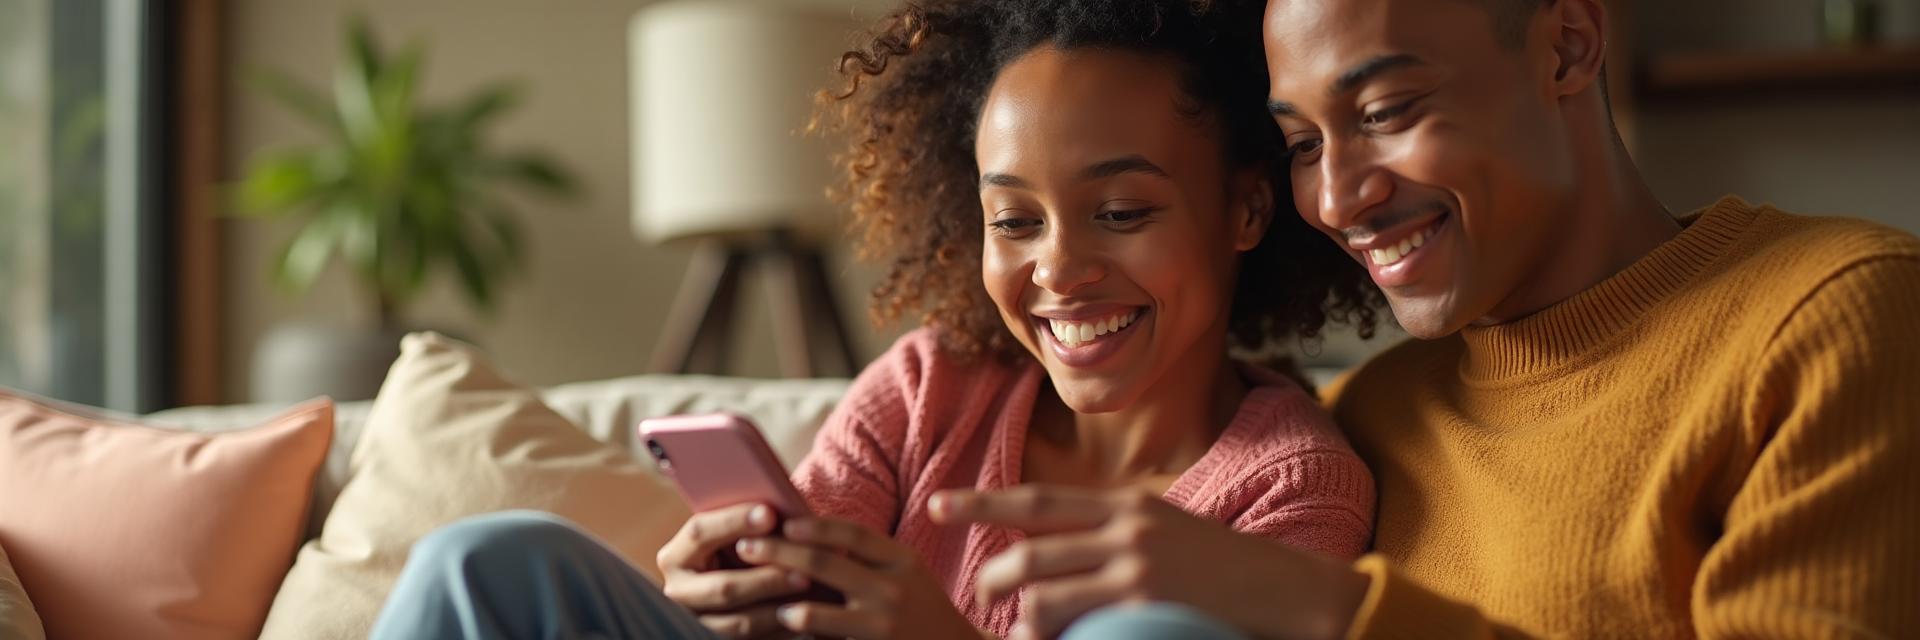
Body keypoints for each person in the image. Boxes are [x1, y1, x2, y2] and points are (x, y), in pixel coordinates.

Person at [366, 1, 1383, 638]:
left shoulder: (1294, 485)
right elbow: (791, 592)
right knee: (485, 560)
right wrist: (720, 591)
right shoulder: (934, 384)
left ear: (1247, 206)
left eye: (1120, 213)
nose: (1059, 269)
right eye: (1014, 220)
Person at [930, 0, 1920, 637]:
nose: (1340, 198)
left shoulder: (1840, 317)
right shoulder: (1373, 420)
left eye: (1388, 110)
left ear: (1568, 45)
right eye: (1305, 143)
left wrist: (1324, 608)